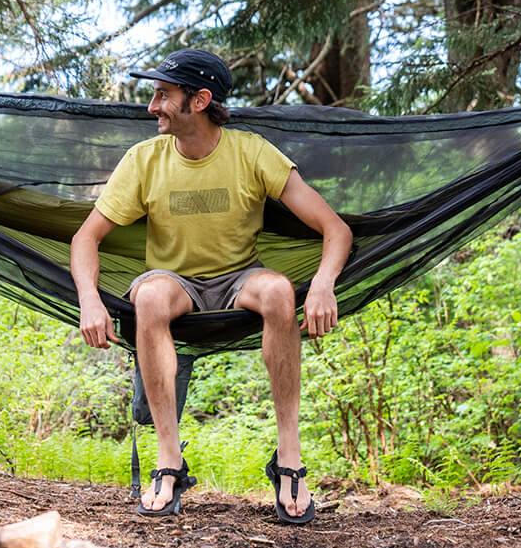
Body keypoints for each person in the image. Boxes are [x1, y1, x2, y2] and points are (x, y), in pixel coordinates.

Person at [70, 48, 352, 523]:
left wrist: (323, 285)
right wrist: (89, 302)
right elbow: (86, 238)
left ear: (199, 101)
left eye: (163, 95)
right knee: (152, 296)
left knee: (282, 290)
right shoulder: (144, 160)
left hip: (240, 278)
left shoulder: (252, 152)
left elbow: (335, 229)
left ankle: (289, 457)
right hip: (173, 282)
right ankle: (168, 461)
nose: (151, 106)